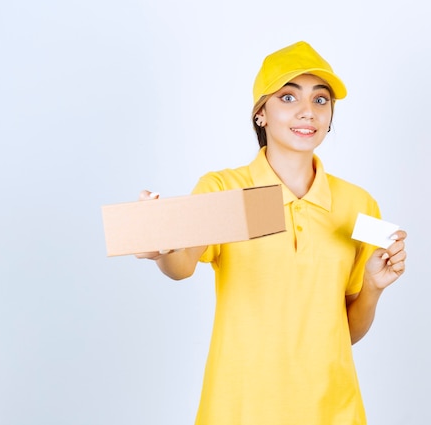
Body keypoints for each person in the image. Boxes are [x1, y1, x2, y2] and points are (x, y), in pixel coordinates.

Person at [136, 41, 407, 425]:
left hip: (332, 408)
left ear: (330, 115)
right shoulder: (225, 189)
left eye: (320, 100)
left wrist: (373, 288)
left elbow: (344, 331)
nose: (307, 112)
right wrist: (161, 246)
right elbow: (181, 265)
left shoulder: (357, 204)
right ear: (261, 113)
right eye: (288, 97)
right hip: (241, 407)